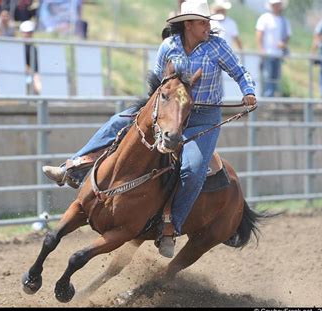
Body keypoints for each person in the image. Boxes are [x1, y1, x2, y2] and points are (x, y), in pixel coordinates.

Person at [42, 0, 256, 258]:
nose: (208, 27)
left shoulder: (218, 46)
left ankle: (170, 227)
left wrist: (249, 92)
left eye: (208, 22)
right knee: (116, 123)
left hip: (203, 116)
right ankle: (73, 167)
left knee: (193, 168)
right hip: (166, 109)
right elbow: (156, 82)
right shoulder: (169, 46)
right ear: (188, 24)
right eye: (203, 22)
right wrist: (152, 110)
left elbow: (240, 72)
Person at [255, 0, 290, 97]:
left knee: (276, 77)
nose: (276, 6)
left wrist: (283, 44)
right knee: (267, 77)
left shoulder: (284, 20)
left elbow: (287, 36)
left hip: (278, 54)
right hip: (267, 53)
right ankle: (267, 97)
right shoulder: (265, 18)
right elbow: (259, 34)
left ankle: (272, 97)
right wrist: (261, 49)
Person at [20, 20, 41, 94]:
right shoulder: (18, 47)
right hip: (23, 73)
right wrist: (30, 70)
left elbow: (36, 64)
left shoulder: (34, 48)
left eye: (30, 32)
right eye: (26, 32)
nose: (28, 34)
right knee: (36, 79)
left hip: (34, 73)